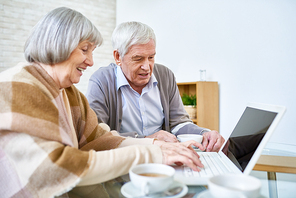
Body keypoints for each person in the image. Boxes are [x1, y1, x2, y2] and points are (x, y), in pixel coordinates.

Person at [0, 7, 205, 197]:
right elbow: (55, 168)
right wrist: (149, 154)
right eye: (85, 50)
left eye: (92, 51)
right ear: (58, 43)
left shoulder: (69, 93)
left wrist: (157, 146)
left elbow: (100, 139)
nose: (90, 61)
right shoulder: (19, 85)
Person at [86, 21, 225, 152]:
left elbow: (179, 123)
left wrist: (204, 133)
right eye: (138, 58)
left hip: (166, 157)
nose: (147, 67)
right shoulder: (101, 81)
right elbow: (97, 136)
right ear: (118, 57)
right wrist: (147, 141)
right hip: (127, 158)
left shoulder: (165, 76)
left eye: (151, 57)